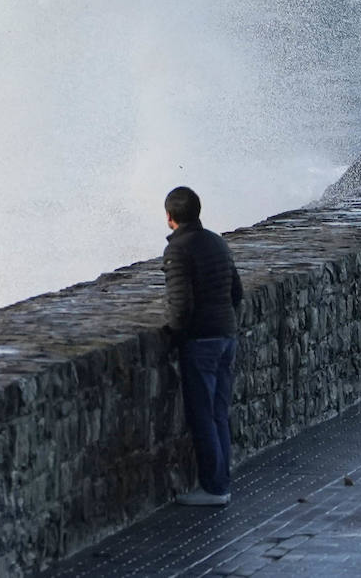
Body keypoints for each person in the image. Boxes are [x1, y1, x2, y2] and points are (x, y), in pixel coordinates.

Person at [162, 186, 243, 506]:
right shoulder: (216, 241)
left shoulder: (178, 250)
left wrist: (175, 336)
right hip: (227, 335)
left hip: (202, 341)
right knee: (219, 413)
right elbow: (236, 292)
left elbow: (181, 306)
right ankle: (221, 481)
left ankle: (214, 488)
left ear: (170, 217)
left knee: (204, 415)